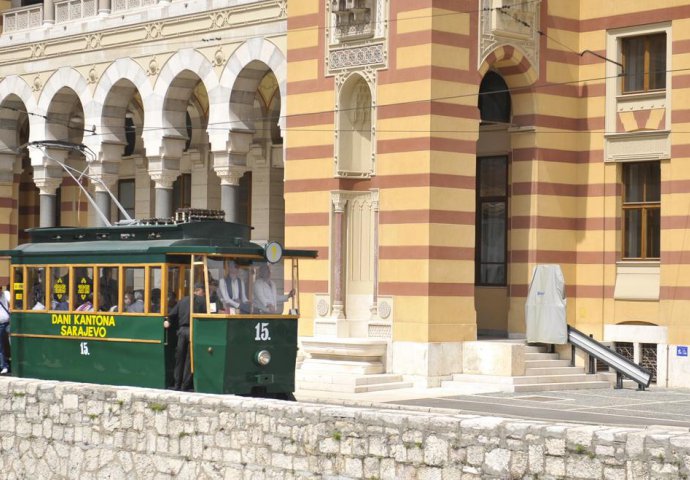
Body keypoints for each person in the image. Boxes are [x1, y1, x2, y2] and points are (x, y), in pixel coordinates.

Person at [164, 283, 206, 391]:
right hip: (194, 330)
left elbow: (172, 315)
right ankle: (185, 385)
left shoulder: (182, 300)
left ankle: (177, 384)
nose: (204, 293)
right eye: (203, 291)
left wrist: (167, 321)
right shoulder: (202, 301)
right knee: (189, 359)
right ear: (198, 290)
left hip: (182, 331)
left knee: (179, 358)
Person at [0, 286, 10, 374]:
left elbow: (14, 304)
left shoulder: (6, 294)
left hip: (5, 323)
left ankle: (4, 366)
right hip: (3, 323)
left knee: (1, 346)